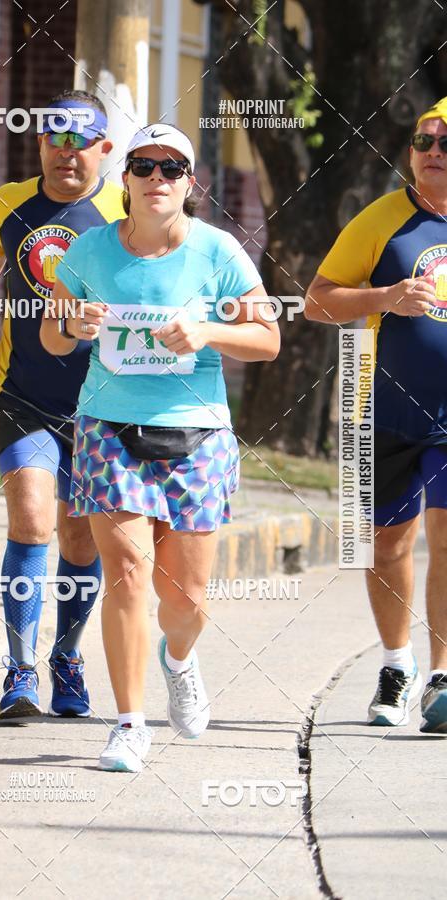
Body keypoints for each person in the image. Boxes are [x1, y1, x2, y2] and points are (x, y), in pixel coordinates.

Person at [40, 123, 280, 771]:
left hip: (197, 436)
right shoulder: (90, 252)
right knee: (124, 576)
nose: (156, 178)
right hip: (106, 430)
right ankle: (128, 723)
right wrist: (73, 320)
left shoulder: (217, 251)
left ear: (190, 183)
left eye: (171, 168)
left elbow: (268, 340)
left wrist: (205, 331)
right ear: (124, 180)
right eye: (143, 166)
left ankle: (179, 659)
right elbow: (52, 338)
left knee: (185, 600)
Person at [0, 91, 124, 720]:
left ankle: (67, 659)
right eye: (56, 139)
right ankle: (20, 671)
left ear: (106, 148)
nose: (67, 153)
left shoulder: (124, 208)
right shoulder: (9, 203)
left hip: (104, 403)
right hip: (22, 394)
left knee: (81, 539)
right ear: (41, 145)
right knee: (32, 523)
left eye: (82, 141)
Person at [306, 97, 447, 733]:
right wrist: (388, 298)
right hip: (384, 409)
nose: (434, 153)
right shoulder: (384, 218)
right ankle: (398, 664)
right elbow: (317, 301)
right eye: (424, 142)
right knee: (388, 544)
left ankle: (443, 678)